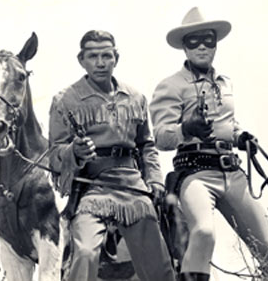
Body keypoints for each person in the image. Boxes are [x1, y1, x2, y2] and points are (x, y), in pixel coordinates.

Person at [150, 7, 268, 281]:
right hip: (195, 174)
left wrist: (240, 137)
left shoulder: (225, 83)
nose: (202, 46)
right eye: (194, 41)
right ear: (184, 47)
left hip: (232, 174)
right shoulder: (171, 86)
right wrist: (186, 128)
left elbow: (228, 123)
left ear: (215, 44)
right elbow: (161, 137)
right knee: (203, 232)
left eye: (208, 40)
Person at [48, 30, 176, 281]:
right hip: (91, 190)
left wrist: (156, 179)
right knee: (84, 252)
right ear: (81, 60)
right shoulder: (65, 100)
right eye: (93, 56)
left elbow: (146, 145)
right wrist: (73, 151)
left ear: (116, 57)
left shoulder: (136, 97)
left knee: (160, 265)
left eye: (106, 55)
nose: (100, 62)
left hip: (133, 189)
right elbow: (53, 154)